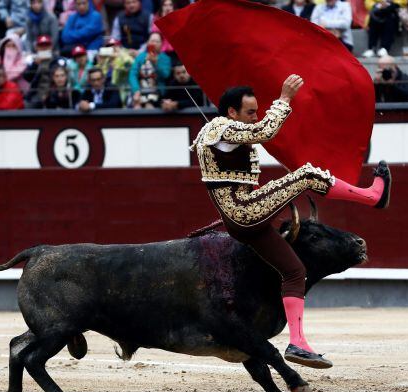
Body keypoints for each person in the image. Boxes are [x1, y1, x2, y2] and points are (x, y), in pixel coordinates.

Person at [190, 74, 391, 368]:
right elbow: (266, 130)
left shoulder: (227, 134)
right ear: (231, 112)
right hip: (244, 212)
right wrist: (284, 98)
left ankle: (297, 343)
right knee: (306, 176)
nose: (254, 117)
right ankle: (372, 196)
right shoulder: (220, 127)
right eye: (249, 112)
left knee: (295, 271)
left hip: (245, 215)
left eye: (256, 111)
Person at [129, 31, 171, 108]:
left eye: (157, 41)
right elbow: (133, 74)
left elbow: (165, 75)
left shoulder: (165, 58)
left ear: (161, 44)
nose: (154, 43)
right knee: (137, 106)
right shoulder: (141, 57)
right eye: (152, 41)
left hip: (157, 92)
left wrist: (155, 63)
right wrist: (136, 90)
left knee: (149, 106)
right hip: (140, 90)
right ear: (148, 42)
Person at [24, 35, 63, 108]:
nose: (44, 48)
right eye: (41, 46)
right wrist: (35, 64)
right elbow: (27, 78)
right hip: (37, 94)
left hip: (54, 94)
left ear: (51, 47)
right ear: (37, 48)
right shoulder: (32, 61)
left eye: (46, 45)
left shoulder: (58, 61)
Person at [93, 38, 134, 102]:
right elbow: (94, 72)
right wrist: (100, 62)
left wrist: (120, 53)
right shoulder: (105, 62)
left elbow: (130, 65)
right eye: (109, 47)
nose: (112, 48)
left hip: (122, 93)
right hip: (107, 93)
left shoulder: (124, 58)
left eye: (114, 46)